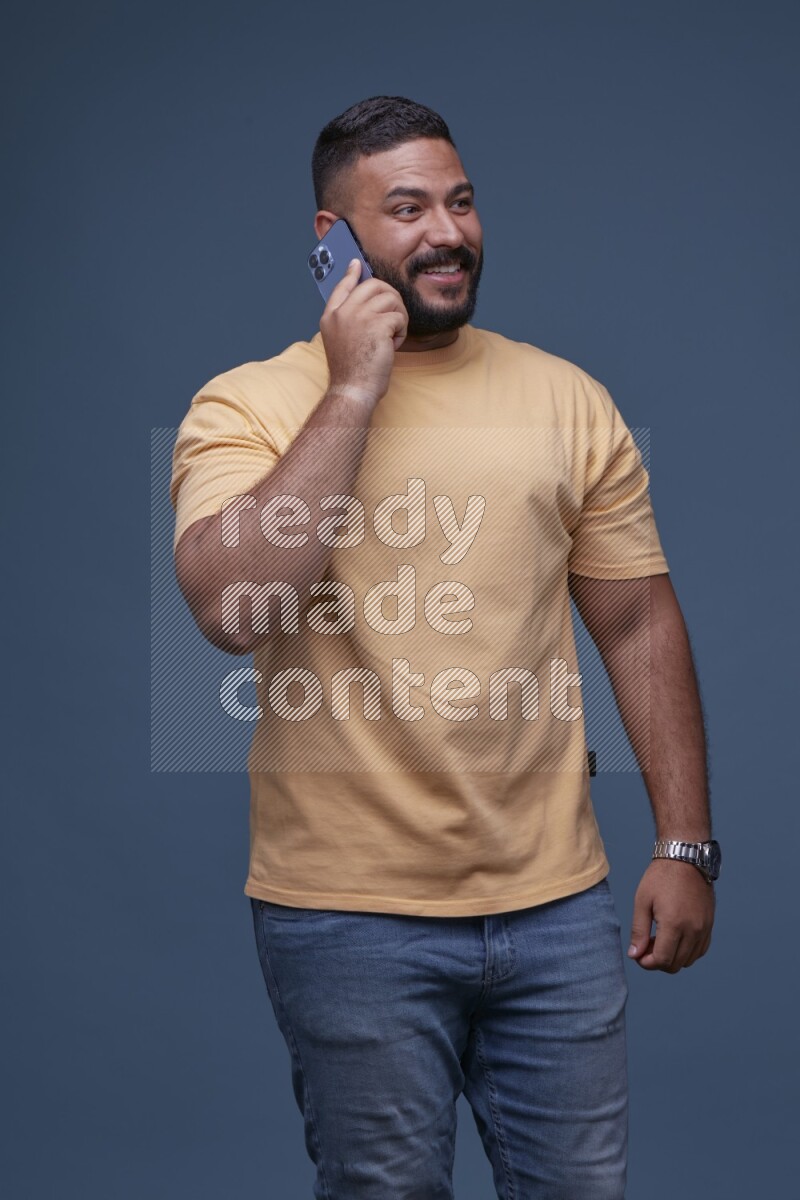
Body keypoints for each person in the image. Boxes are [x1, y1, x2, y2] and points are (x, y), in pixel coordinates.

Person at [170, 95, 718, 1200]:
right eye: (406, 207)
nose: (446, 233)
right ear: (331, 243)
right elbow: (234, 613)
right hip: (344, 915)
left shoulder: (563, 399)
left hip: (558, 907)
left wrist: (684, 843)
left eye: (459, 202)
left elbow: (636, 618)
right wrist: (356, 386)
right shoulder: (249, 406)